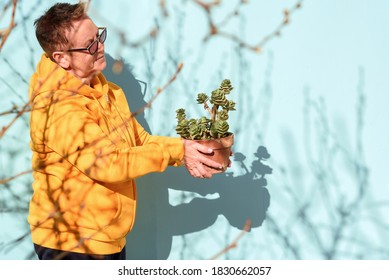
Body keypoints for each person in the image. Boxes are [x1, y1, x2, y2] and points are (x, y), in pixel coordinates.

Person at [28, 2, 225, 260]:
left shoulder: (109, 91)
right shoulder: (59, 107)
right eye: (89, 45)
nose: (100, 47)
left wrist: (187, 150)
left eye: (99, 36)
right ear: (62, 58)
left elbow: (139, 140)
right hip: (72, 244)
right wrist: (178, 151)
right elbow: (106, 163)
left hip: (107, 238)